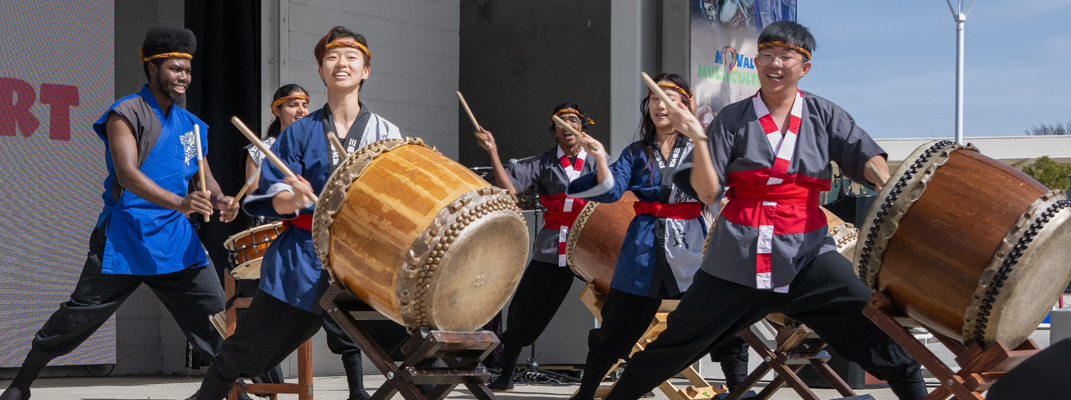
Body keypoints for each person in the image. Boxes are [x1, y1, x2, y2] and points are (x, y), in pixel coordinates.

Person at [601, 21, 928, 400]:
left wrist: (886, 184)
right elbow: (707, 191)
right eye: (767, 55)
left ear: (804, 67)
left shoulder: (824, 114)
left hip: (807, 252)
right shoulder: (732, 118)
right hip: (738, 254)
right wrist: (699, 139)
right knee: (677, 343)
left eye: (786, 56)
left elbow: (863, 153)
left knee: (875, 330)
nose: (775, 63)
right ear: (755, 62)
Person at [0, 26, 239, 400]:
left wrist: (222, 199)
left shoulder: (192, 126)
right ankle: (21, 383)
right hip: (126, 235)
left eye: (188, 70)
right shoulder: (125, 113)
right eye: (175, 69)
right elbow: (127, 174)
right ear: (152, 68)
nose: (184, 77)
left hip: (175, 240)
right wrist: (180, 203)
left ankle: (232, 390)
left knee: (215, 315)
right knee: (79, 315)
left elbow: (203, 178)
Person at [190, 26, 403, 400]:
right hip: (305, 256)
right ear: (321, 71)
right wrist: (293, 199)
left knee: (412, 343)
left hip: (364, 260)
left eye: (351, 57)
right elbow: (266, 197)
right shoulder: (299, 133)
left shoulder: (387, 133)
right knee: (250, 347)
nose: (341, 64)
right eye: (332, 58)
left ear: (366, 70)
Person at [563, 73, 749, 400]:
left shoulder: (701, 147)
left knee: (722, 318)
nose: (660, 106)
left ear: (685, 106)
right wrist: (601, 158)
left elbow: (717, 192)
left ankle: (740, 391)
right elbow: (611, 191)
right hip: (643, 246)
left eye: (669, 99)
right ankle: (585, 395)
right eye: (653, 99)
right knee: (617, 325)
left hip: (690, 245)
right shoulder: (637, 152)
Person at [237, 84, 390, 400]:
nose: (301, 110)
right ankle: (248, 383)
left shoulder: (319, 139)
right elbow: (255, 197)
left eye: (304, 104)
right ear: (276, 109)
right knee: (265, 318)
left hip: (321, 237)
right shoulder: (261, 149)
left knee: (337, 311)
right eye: (292, 104)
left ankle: (357, 389)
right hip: (282, 236)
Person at [471, 103, 600, 391]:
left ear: (583, 127)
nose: (567, 126)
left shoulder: (597, 160)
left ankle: (629, 369)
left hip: (591, 246)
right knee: (525, 308)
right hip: (553, 245)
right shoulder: (543, 163)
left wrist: (600, 156)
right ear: (554, 131)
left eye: (573, 120)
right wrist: (492, 151)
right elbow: (510, 190)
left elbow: (616, 190)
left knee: (618, 304)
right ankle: (506, 375)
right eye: (560, 122)